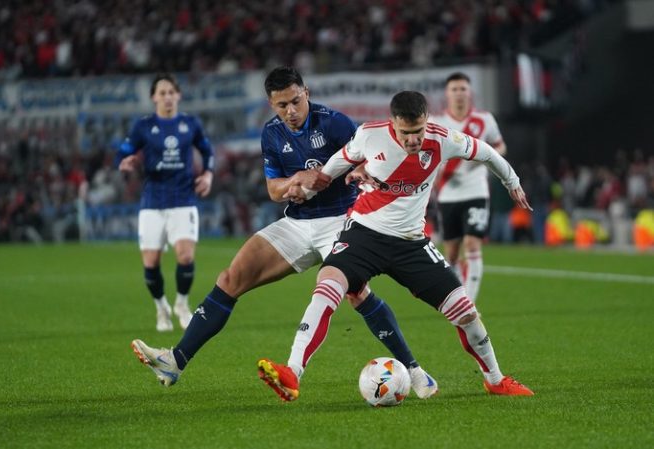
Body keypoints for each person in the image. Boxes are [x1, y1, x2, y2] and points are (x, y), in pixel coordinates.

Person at [129, 67, 438, 401]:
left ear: (306, 92)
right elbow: (274, 191)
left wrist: (350, 174)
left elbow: (369, 161)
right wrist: (295, 182)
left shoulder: (334, 122)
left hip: (343, 221)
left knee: (357, 293)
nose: (290, 111)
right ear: (271, 104)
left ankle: (416, 372)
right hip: (297, 223)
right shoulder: (272, 133)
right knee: (232, 277)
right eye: (281, 105)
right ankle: (176, 360)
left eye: (295, 101)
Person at [259, 91, 534, 398]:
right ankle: (292, 373)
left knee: (466, 312)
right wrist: (309, 190)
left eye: (418, 132)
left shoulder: (444, 139)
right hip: (363, 234)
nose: (413, 139)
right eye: (405, 133)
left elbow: (487, 153)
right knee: (328, 284)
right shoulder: (369, 135)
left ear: (426, 121)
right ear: (393, 123)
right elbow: (332, 168)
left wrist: (512, 182)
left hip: (411, 244)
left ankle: (495, 379)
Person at [116, 73, 215, 332]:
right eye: (162, 93)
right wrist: (125, 161)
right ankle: (161, 308)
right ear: (153, 98)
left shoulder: (190, 124)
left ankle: (181, 303)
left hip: (183, 198)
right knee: (151, 263)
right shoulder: (143, 126)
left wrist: (208, 174)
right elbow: (125, 150)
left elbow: (207, 150)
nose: (167, 97)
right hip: (153, 201)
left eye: (171, 92)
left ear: (178, 95)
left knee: (185, 256)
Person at [430, 72, 507, 303]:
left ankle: (469, 304)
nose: (459, 93)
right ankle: (456, 296)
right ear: (447, 93)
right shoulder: (435, 123)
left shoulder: (484, 120)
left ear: (469, 92)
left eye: (463, 89)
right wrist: (436, 167)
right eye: (454, 89)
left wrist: (485, 158)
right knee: (451, 252)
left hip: (476, 190)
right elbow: (427, 156)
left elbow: (500, 146)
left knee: (473, 243)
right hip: (448, 192)